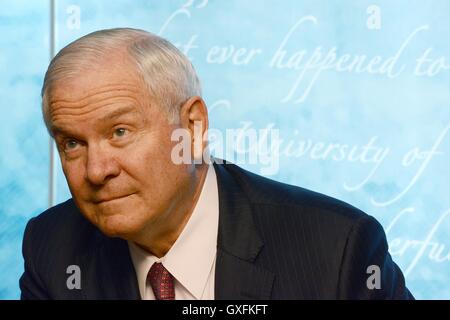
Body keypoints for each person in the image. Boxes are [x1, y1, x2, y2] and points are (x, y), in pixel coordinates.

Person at [20, 28, 414, 300]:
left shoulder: (336, 247)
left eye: (120, 132)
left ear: (192, 127)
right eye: (72, 142)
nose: (95, 170)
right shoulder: (53, 248)